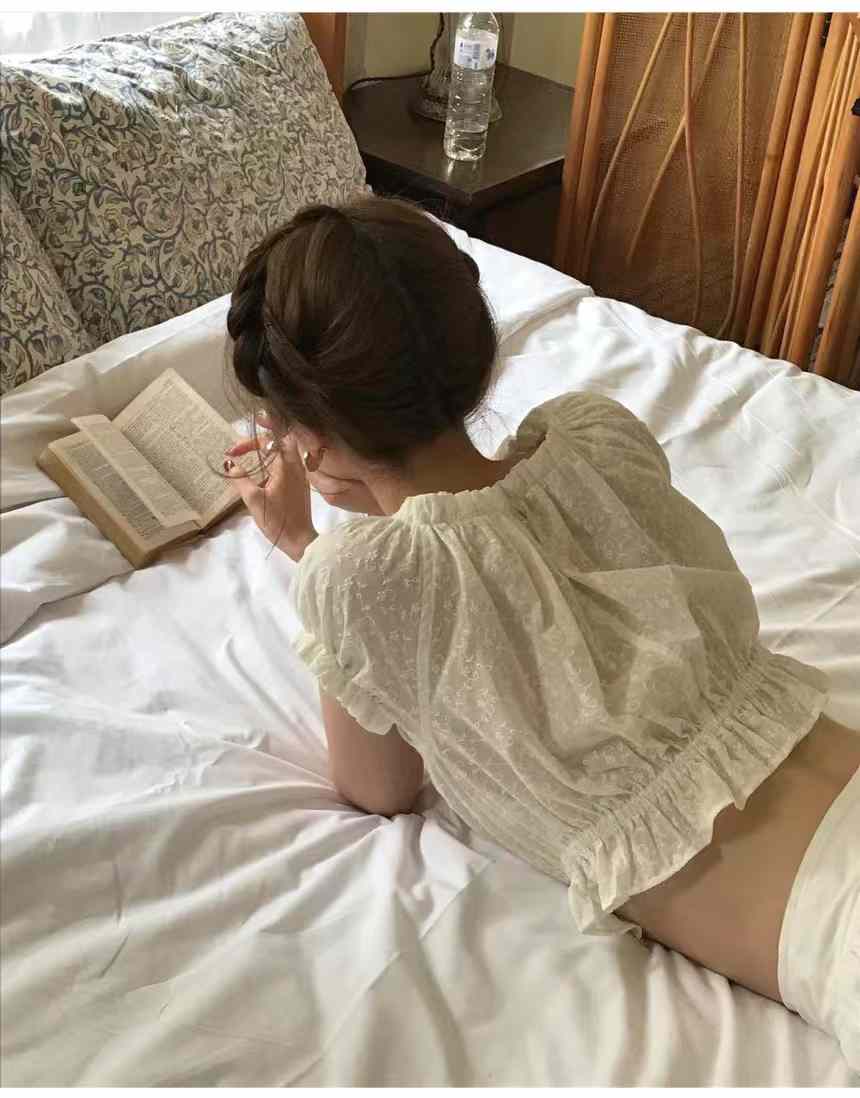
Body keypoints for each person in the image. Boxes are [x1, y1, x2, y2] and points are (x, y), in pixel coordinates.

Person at [223, 195, 859, 1070]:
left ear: (314, 440)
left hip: (835, 919)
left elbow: (379, 787)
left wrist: (308, 550)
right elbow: (503, 562)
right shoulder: (594, 439)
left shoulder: (361, 582)